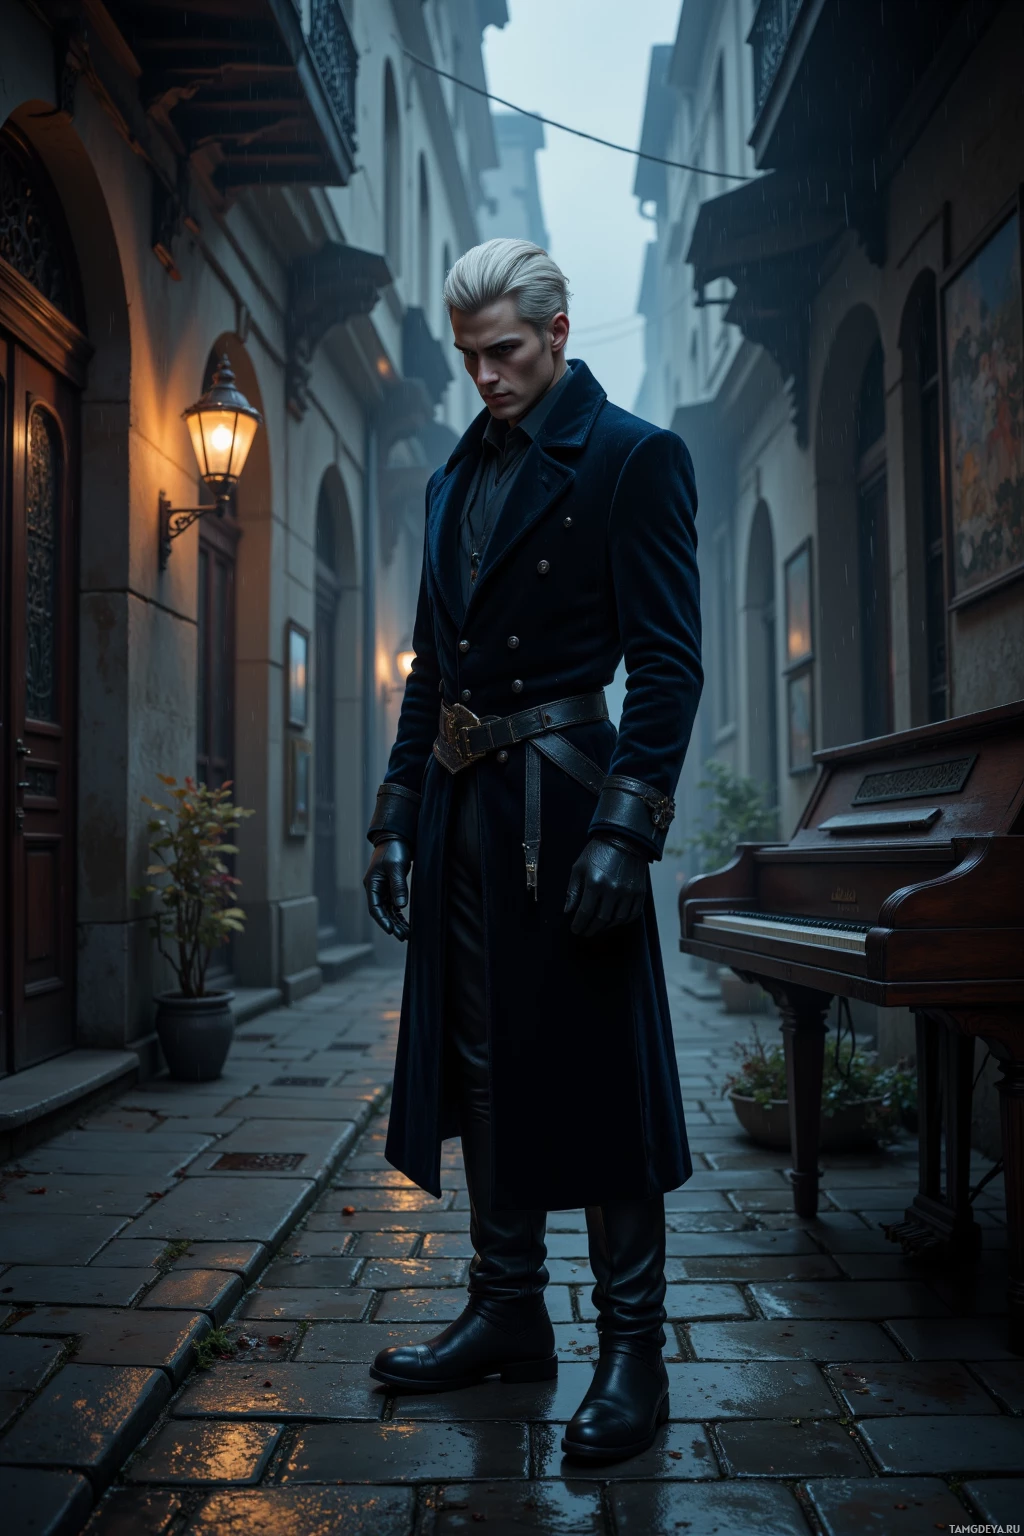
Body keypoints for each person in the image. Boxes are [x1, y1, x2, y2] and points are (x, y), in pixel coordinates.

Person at [362, 238, 702, 1464]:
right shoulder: (453, 480)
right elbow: (428, 667)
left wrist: (628, 824)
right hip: (462, 814)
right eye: (468, 357)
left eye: (503, 352)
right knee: (480, 1063)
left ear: (559, 335)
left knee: (598, 1078)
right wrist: (395, 811)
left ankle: (632, 1358)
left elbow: (666, 665)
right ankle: (508, 1315)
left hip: (567, 815)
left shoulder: (632, 458)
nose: (485, 377)